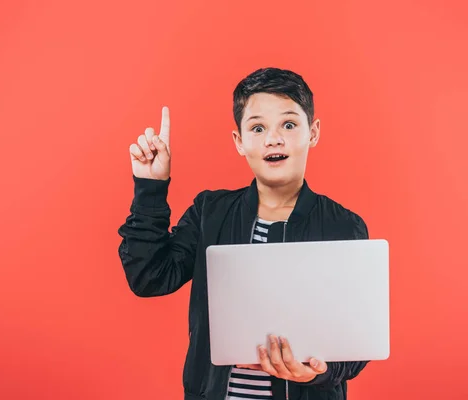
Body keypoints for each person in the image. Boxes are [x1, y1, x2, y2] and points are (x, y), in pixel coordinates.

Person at [118, 67, 370, 400]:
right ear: (239, 141)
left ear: (313, 132)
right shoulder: (211, 212)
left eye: (289, 124)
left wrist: (318, 373)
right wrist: (151, 187)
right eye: (257, 127)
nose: (273, 138)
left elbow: (357, 340)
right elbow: (149, 277)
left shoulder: (344, 226)